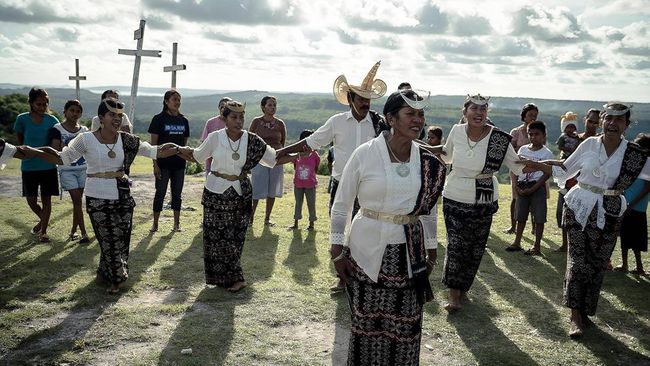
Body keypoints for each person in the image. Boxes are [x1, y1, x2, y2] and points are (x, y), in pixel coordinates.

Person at [14, 98, 182, 294]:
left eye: (120, 115)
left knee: (121, 239)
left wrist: (183, 150)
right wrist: (34, 151)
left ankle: (104, 272)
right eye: (112, 115)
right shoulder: (86, 139)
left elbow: (156, 151)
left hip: (122, 197)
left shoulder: (128, 140)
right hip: (97, 197)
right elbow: (63, 157)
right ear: (101, 117)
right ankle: (116, 279)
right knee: (108, 238)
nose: (117, 119)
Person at [330, 90, 445, 366]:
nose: (418, 120)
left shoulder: (428, 162)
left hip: (410, 253)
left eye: (421, 114)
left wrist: (431, 250)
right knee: (366, 326)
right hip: (366, 250)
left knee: (406, 327)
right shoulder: (365, 154)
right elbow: (342, 203)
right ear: (391, 118)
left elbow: (427, 210)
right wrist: (337, 251)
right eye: (410, 114)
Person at [520, 102, 650, 338]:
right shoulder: (589, 144)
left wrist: (629, 203)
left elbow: (648, 177)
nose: (612, 123)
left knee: (597, 263)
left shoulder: (635, 154)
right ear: (602, 121)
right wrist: (538, 164)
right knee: (578, 262)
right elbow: (565, 169)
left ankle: (586, 311)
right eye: (608, 118)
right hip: (579, 206)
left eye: (618, 120)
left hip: (610, 210)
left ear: (627, 125)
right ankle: (575, 316)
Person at [276, 61, 389, 293]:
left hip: (370, 188)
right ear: (351, 100)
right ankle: (343, 278)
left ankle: (365, 277)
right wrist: (280, 152)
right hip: (341, 186)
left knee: (368, 232)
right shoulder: (337, 122)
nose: (366, 103)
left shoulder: (379, 125)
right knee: (341, 232)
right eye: (361, 99)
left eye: (368, 100)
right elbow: (310, 142)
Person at [177, 100, 296, 293]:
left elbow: (272, 159)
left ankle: (237, 278)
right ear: (224, 118)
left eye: (241, 117)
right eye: (234, 117)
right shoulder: (215, 137)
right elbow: (197, 156)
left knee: (235, 237)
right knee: (214, 237)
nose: (239, 121)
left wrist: (295, 156)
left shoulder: (252, 140)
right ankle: (219, 278)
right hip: (215, 192)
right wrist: (175, 150)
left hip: (240, 193)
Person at [441, 94, 528, 311]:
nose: (478, 113)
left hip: (484, 196)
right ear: (465, 112)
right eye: (474, 108)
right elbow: (447, 156)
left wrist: (547, 166)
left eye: (483, 109)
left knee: (475, 246)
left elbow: (516, 164)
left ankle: (463, 289)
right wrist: (422, 149)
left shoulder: (499, 138)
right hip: (455, 194)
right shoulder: (456, 130)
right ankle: (453, 295)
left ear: (487, 113)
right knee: (456, 245)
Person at [13, 87, 60, 243]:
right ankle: (43, 220)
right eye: (38, 104)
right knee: (31, 200)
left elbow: (55, 144)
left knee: (47, 200)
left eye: (45, 104)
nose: (42, 107)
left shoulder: (52, 120)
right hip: (28, 166)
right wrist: (28, 152)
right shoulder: (22, 119)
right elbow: (20, 140)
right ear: (31, 103)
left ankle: (44, 231)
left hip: (48, 166)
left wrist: (37, 151)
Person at [505, 121, 554, 255]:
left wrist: (534, 188)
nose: (533, 137)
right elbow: (516, 168)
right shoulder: (523, 149)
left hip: (537, 186)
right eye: (530, 134)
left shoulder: (547, 153)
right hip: (522, 186)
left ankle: (536, 246)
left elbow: (547, 174)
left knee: (539, 217)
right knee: (520, 215)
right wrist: (515, 185)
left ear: (544, 135)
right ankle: (517, 242)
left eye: (536, 134)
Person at [148, 90, 190, 233]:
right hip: (163, 165)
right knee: (160, 193)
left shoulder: (184, 120)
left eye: (179, 100)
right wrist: (155, 165)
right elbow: (153, 146)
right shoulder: (158, 119)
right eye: (174, 99)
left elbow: (183, 145)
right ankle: (155, 224)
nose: (177, 102)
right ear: (166, 101)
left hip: (179, 165)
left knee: (177, 194)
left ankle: (176, 224)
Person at [555, 110, 597, 252]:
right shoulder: (575, 138)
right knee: (565, 211)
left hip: (588, 185)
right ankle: (565, 245)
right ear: (585, 120)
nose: (592, 125)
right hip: (569, 181)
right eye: (590, 121)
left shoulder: (599, 142)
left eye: (596, 122)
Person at [50, 99, 90, 243]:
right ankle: (84, 233)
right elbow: (55, 151)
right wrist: (62, 147)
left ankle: (73, 231)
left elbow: (88, 149)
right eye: (72, 110)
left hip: (83, 169)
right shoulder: (57, 128)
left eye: (78, 111)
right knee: (77, 201)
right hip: (67, 170)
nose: (75, 113)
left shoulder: (84, 130)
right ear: (65, 111)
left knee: (77, 202)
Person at [248, 96, 287, 227]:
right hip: (259, 159)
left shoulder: (280, 123)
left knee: (272, 188)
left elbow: (282, 142)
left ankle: (267, 218)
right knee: (256, 188)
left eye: (274, 105)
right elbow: (250, 140)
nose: (273, 107)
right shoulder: (256, 122)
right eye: (270, 105)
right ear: (263, 107)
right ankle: (251, 217)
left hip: (276, 159)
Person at [615, 133, 650, 274]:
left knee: (635, 238)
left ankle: (639, 266)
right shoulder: (632, 162)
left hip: (637, 207)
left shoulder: (648, 163)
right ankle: (624, 265)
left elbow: (647, 187)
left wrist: (632, 204)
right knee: (624, 235)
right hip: (626, 204)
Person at [505, 103, 539, 234]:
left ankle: (534, 227)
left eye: (535, 116)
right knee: (516, 198)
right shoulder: (516, 132)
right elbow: (509, 150)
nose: (533, 118)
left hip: (534, 169)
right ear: (524, 116)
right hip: (517, 168)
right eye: (530, 115)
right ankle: (513, 226)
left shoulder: (538, 131)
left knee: (534, 198)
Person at [289, 129, 320, 231]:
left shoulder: (315, 155)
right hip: (298, 184)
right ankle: (296, 223)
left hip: (310, 184)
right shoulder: (297, 154)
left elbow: (316, 168)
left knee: (311, 203)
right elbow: (294, 165)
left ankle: (311, 224)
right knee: (298, 203)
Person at [201, 96, 232, 178]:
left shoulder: (234, 123)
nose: (224, 109)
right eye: (222, 107)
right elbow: (204, 143)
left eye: (227, 107)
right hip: (212, 166)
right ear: (218, 108)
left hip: (230, 167)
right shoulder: (211, 122)